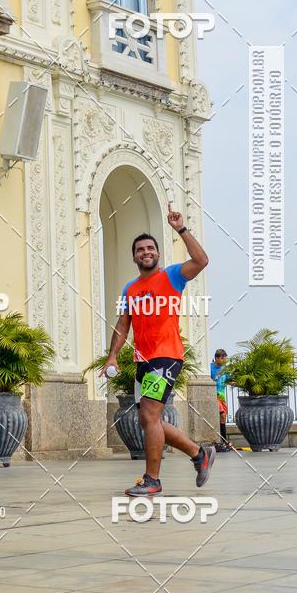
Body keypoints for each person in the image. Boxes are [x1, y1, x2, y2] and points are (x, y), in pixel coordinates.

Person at [100, 204, 215, 496]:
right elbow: (123, 324)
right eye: (140, 249)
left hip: (166, 355)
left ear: (158, 254)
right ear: (134, 256)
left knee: (150, 417)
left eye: (150, 248)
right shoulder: (130, 289)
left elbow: (201, 260)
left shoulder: (172, 276)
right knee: (147, 420)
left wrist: (181, 229)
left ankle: (152, 480)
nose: (146, 252)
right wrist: (112, 355)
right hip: (143, 360)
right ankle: (199, 454)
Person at [211, 349, 233, 452]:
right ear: (217, 358)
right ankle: (223, 442)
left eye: (225, 358)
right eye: (222, 358)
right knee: (222, 415)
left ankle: (223, 442)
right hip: (215, 397)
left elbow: (230, 381)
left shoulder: (225, 368)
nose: (224, 360)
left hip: (222, 397)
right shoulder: (210, 368)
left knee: (223, 419)